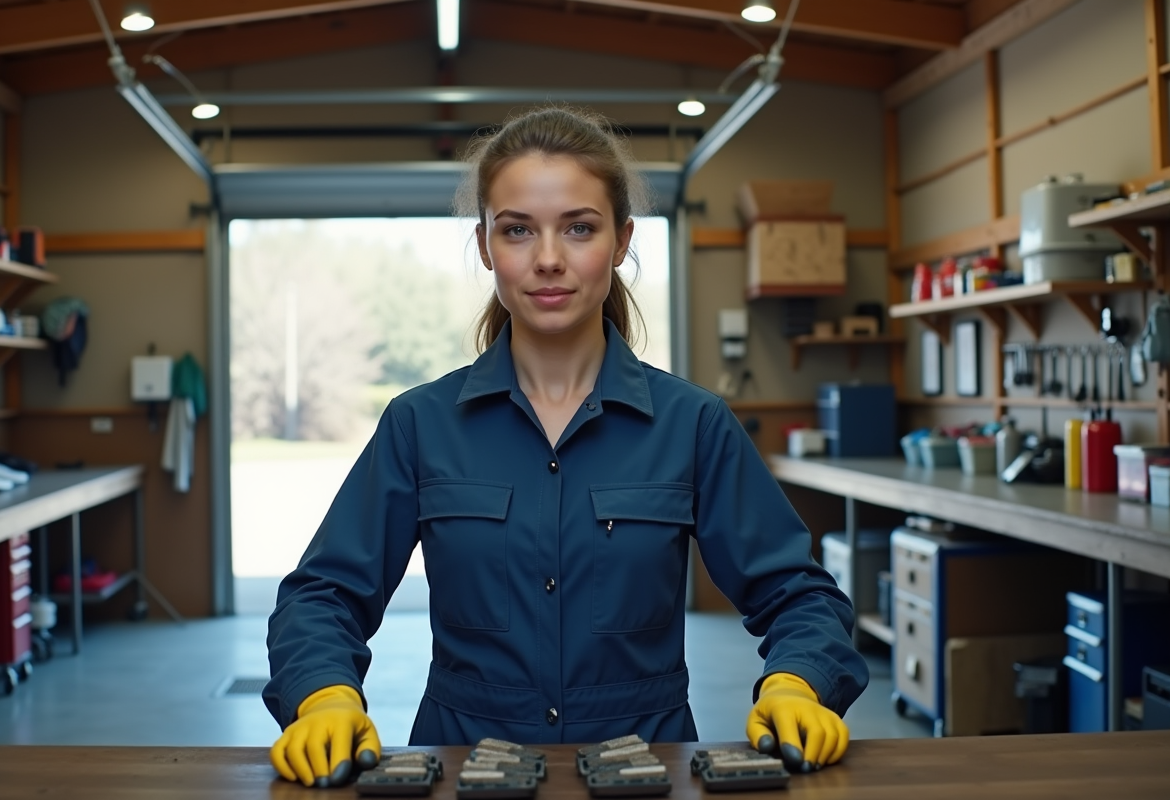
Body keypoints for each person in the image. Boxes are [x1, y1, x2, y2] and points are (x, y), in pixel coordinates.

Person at [263, 106, 868, 789]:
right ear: (487, 246)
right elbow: (322, 597)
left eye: (578, 227)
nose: (548, 258)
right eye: (517, 230)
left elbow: (799, 595)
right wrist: (323, 694)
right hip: (465, 775)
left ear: (620, 240)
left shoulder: (693, 424)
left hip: (646, 776)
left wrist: (796, 684)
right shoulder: (418, 425)